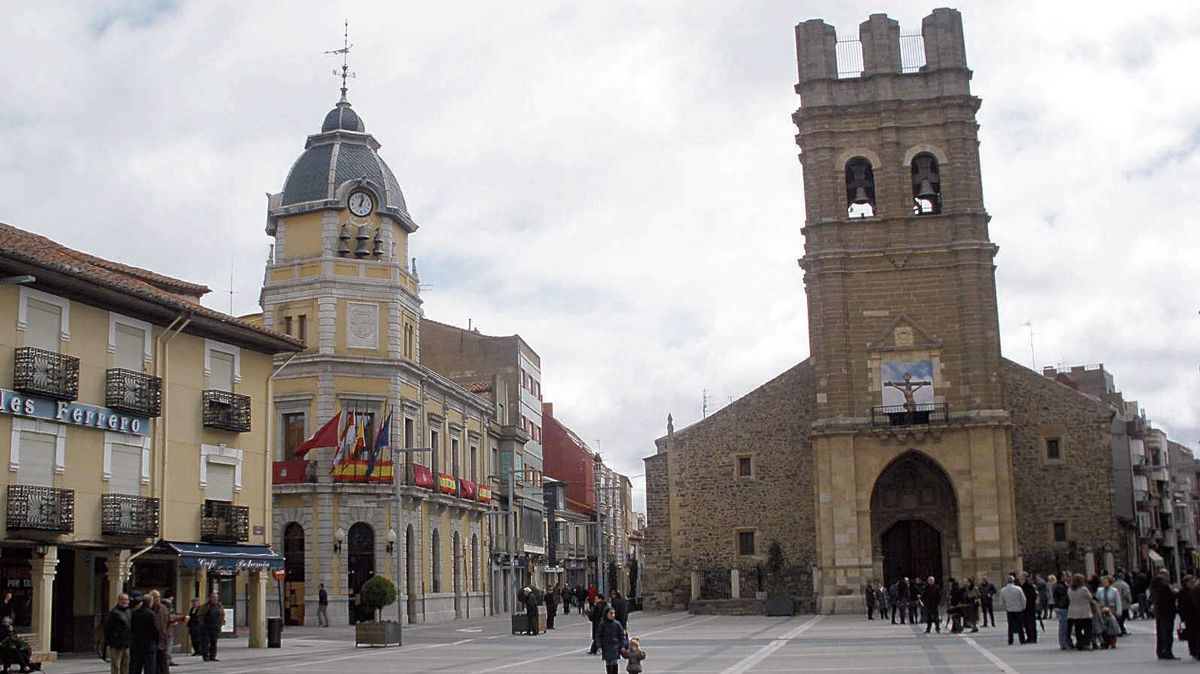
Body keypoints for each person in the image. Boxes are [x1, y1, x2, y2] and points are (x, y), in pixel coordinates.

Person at [1150, 568, 1178, 660]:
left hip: (1159, 611)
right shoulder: (1164, 585)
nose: (1169, 577)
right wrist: (1176, 592)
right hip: (1167, 611)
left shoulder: (1154, 585)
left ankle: (1160, 651)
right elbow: (1171, 596)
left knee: (1161, 632)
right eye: (1167, 575)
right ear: (1164, 575)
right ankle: (1167, 652)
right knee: (1167, 633)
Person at [130, 593, 160, 674]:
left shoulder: (135, 613)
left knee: (136, 665)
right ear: (150, 602)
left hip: (137, 643)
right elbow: (155, 629)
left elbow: (132, 627)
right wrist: (157, 639)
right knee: (150, 666)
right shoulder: (151, 614)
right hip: (149, 644)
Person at [104, 593, 132, 674]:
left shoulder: (128, 611)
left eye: (127, 600)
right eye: (123, 600)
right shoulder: (114, 613)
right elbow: (107, 627)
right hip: (116, 643)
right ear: (119, 600)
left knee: (126, 664)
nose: (125, 602)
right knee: (116, 665)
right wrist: (112, 639)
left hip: (126, 643)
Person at [1067, 573, 1094, 651]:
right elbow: (1090, 598)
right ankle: (1087, 643)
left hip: (1073, 612)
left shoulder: (1070, 589)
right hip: (1084, 611)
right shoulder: (1083, 589)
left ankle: (1080, 642)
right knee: (1087, 628)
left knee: (1077, 629)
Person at [597, 607, 628, 674]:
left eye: (614, 613)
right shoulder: (602, 624)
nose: (613, 615)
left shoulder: (617, 624)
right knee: (608, 663)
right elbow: (598, 636)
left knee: (614, 662)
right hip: (606, 646)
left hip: (615, 646)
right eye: (611, 613)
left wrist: (623, 645)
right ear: (606, 614)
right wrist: (599, 646)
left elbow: (622, 635)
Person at [999, 575, 1026, 645]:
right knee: (1020, 625)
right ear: (1013, 581)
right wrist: (1023, 607)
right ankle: (1022, 639)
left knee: (1010, 625)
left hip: (1009, 609)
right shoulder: (1018, 589)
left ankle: (1010, 640)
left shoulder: (1003, 590)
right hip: (1018, 609)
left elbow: (1001, 601)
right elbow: (1023, 599)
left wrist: (1005, 608)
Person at [1050, 574, 1072, 650]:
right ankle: (1064, 643)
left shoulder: (1058, 585)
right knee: (1064, 626)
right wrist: (1063, 604)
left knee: (1063, 626)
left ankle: (1064, 642)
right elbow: (1064, 597)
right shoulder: (1061, 586)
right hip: (1063, 607)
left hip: (1059, 606)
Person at [202, 592, 223, 662]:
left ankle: (212, 656)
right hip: (207, 626)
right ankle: (205, 656)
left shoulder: (219, 606)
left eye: (216, 598)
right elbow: (200, 615)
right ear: (210, 598)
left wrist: (221, 623)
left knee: (214, 642)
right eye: (213, 597)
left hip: (215, 626)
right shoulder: (206, 606)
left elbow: (222, 615)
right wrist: (202, 624)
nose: (215, 599)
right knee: (206, 642)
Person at [1017, 572, 1037, 643]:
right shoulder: (1021, 587)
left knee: (1031, 623)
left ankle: (1032, 637)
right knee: (1026, 623)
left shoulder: (1029, 586)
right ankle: (1029, 637)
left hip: (1029, 607)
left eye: (1020, 578)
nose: (1019, 580)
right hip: (1024, 607)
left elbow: (1032, 596)